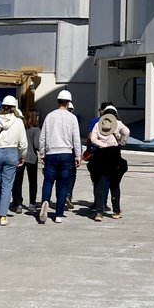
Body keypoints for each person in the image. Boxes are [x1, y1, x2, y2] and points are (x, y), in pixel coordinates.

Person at [37, 89, 82, 224]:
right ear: (68, 102)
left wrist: (42, 153)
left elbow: (42, 137)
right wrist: (78, 156)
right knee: (63, 184)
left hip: (51, 153)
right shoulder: (72, 118)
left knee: (48, 181)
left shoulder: (50, 116)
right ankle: (58, 214)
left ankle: (45, 201)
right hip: (67, 153)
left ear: (57, 101)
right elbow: (76, 139)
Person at [0, 95, 27, 226]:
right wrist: (22, 156)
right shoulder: (18, 121)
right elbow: (23, 143)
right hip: (12, 152)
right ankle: (2, 216)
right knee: (7, 185)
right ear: (14, 107)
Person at [88, 104, 130, 221]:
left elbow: (92, 139)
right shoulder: (118, 123)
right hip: (114, 155)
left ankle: (99, 213)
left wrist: (103, 145)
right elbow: (126, 131)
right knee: (114, 185)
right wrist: (122, 142)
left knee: (99, 184)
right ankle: (116, 211)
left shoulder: (98, 124)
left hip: (100, 156)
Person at [11, 109, 40, 213]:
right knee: (32, 181)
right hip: (32, 157)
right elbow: (37, 145)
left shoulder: (20, 127)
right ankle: (32, 203)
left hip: (19, 156)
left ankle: (18, 203)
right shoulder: (36, 129)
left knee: (18, 181)